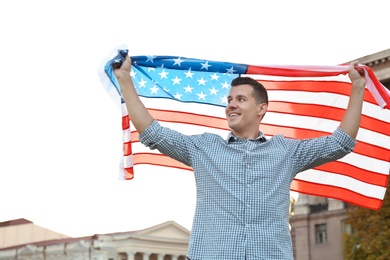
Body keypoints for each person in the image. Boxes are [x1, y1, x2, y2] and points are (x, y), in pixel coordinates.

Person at [113, 54, 366, 260]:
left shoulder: (287, 152)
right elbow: (153, 133)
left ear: (261, 109)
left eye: (240, 99)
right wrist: (125, 79)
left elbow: (340, 143)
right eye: (229, 100)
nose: (231, 105)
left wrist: (357, 88)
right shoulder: (204, 148)